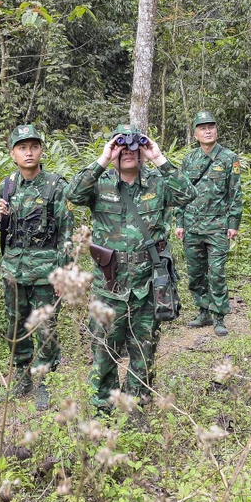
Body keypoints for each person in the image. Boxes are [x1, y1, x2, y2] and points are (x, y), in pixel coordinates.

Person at [67, 125, 196, 411]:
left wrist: (158, 157)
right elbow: (72, 194)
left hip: (147, 286)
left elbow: (188, 194)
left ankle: (136, 407)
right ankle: (102, 409)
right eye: (121, 146)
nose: (128, 151)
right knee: (104, 351)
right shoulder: (99, 184)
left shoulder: (157, 183)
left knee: (144, 351)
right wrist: (104, 158)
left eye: (134, 147)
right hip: (109, 286)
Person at [0, 125, 74, 410]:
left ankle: (44, 381)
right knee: (16, 324)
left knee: (45, 327)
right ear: (12, 153)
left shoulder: (56, 186)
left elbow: (67, 233)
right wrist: (0, 217)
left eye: (34, 147)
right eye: (22, 148)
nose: (28, 152)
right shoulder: (7, 186)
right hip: (14, 270)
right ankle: (21, 375)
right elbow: (3, 230)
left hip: (45, 271)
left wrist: (63, 274)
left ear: (41, 150)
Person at [174, 111, 243, 336]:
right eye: (202, 128)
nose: (207, 131)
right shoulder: (189, 159)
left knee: (216, 272)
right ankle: (203, 311)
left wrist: (233, 223)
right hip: (192, 227)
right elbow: (182, 193)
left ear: (216, 130)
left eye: (211, 127)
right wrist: (179, 221)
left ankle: (219, 316)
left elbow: (235, 193)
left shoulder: (229, 158)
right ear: (195, 134)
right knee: (195, 273)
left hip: (218, 226)